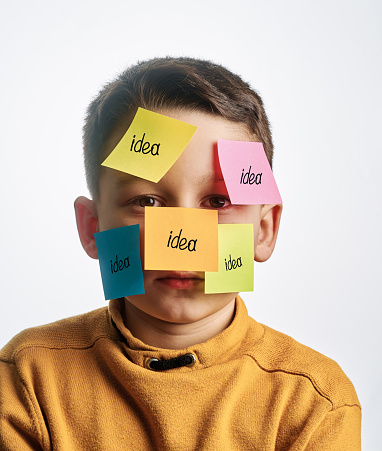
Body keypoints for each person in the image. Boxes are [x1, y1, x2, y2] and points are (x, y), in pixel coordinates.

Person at [0, 57, 361, 450]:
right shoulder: (27, 379)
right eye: (148, 201)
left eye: (219, 201)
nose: (180, 237)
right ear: (93, 227)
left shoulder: (313, 401)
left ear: (264, 229)